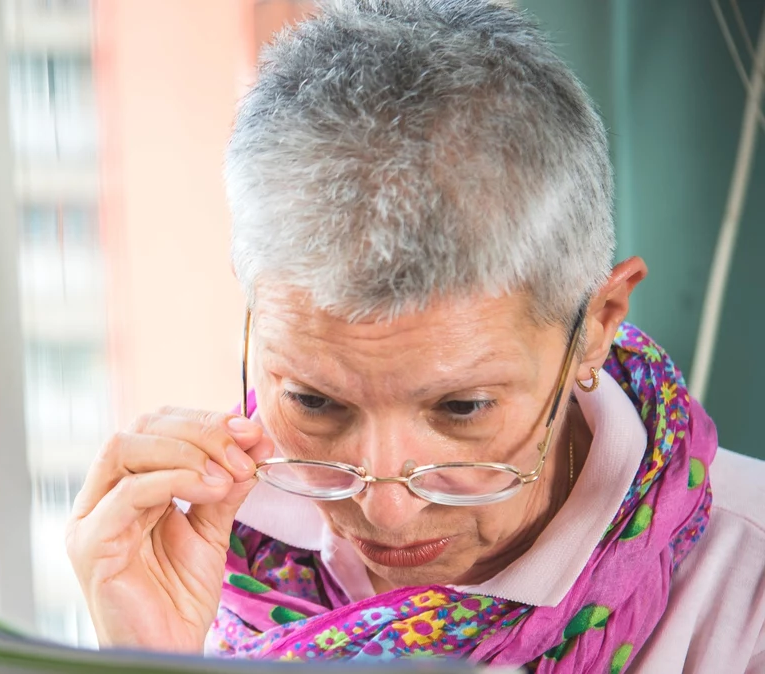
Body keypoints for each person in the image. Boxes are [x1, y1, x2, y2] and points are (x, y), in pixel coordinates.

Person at [65, 1, 765, 671]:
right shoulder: (207, 556)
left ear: (596, 326)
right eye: (315, 402)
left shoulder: (749, 595)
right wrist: (151, 665)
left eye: (462, 408)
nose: (385, 509)